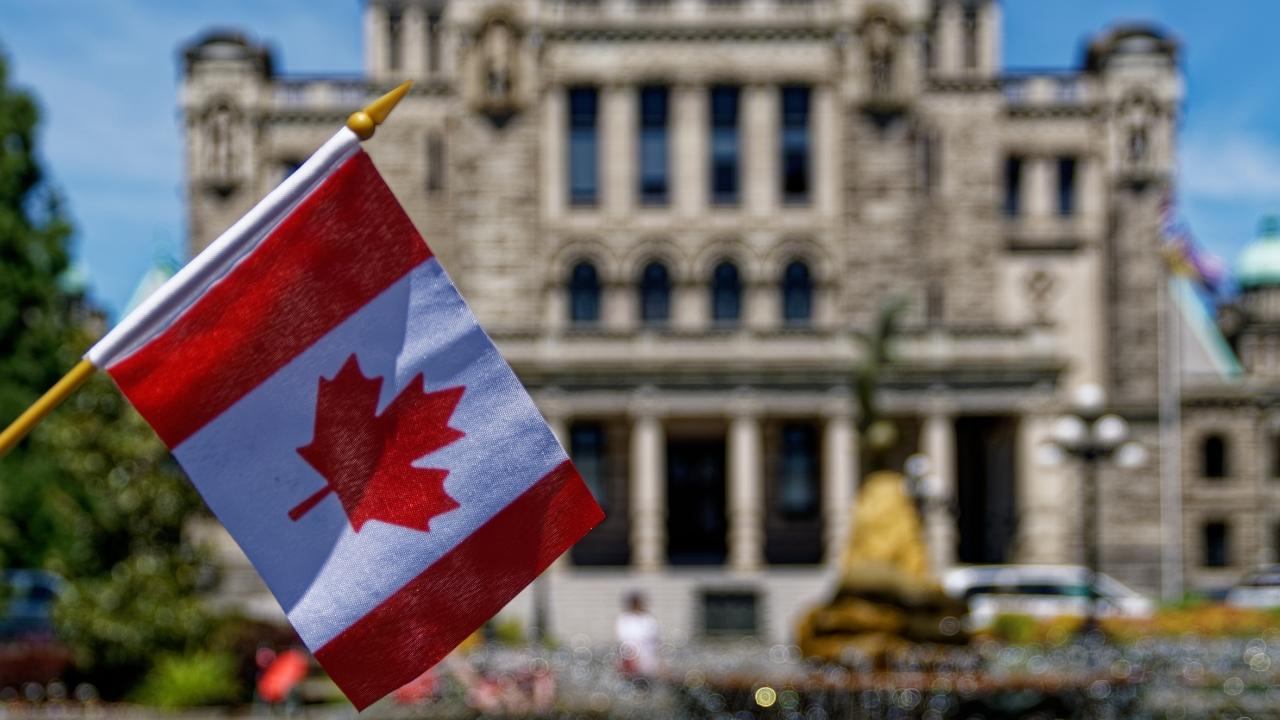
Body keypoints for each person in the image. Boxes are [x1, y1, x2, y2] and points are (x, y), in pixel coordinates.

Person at [615, 592, 660, 680]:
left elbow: (655, 641)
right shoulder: (625, 619)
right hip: (631, 661)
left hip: (648, 660)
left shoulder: (648, 619)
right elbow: (624, 640)